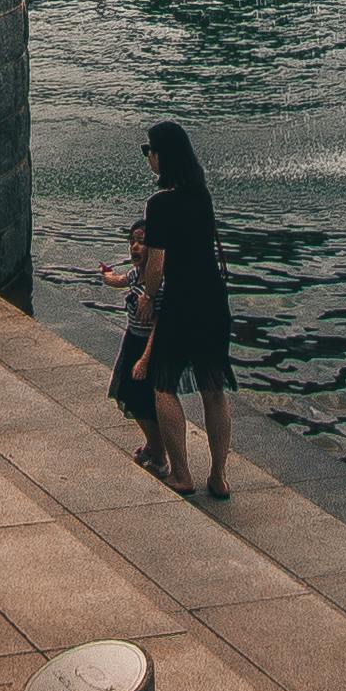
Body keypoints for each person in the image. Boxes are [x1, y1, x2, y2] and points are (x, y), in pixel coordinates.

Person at [132, 120, 234, 500]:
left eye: (149, 151)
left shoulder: (159, 204)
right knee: (214, 389)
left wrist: (146, 296)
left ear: (163, 156)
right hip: (213, 300)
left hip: (181, 302)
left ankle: (181, 474)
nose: (148, 157)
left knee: (163, 384)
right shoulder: (201, 195)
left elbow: (156, 266)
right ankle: (220, 476)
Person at [99, 214, 167, 476]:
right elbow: (119, 281)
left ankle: (160, 456)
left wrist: (145, 360)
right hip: (132, 341)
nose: (135, 247)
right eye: (132, 241)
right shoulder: (137, 273)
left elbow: (158, 326)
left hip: (145, 349)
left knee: (143, 403)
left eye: (142, 242)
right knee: (129, 396)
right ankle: (153, 445)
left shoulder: (157, 285)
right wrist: (106, 275)